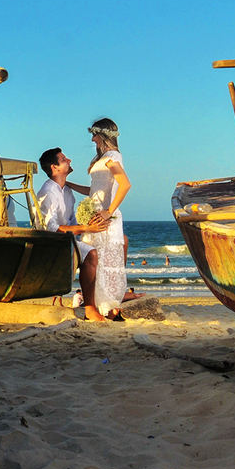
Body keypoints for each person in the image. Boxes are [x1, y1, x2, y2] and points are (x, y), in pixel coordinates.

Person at [36, 147, 110, 322]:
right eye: (63, 159)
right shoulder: (48, 192)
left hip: (66, 239)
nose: (69, 160)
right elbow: (51, 228)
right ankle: (90, 309)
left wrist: (89, 226)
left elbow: (71, 220)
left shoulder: (66, 191)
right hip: (52, 242)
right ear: (54, 167)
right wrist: (86, 229)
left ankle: (106, 303)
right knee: (91, 253)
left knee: (102, 245)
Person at [81, 118, 131, 319]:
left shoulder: (111, 157)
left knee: (103, 264)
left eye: (94, 135)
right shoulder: (105, 158)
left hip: (105, 219)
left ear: (102, 136)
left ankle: (107, 310)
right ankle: (102, 309)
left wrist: (109, 211)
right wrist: (68, 185)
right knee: (98, 264)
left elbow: (125, 184)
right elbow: (95, 190)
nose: (92, 139)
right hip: (97, 215)